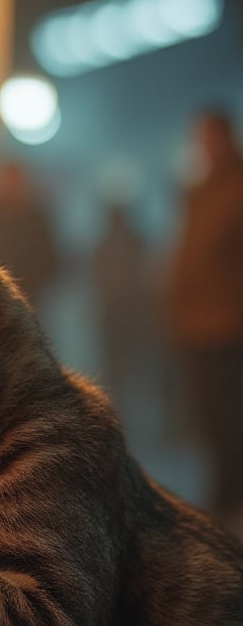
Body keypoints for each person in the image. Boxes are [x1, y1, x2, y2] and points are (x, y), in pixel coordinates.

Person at [164, 109, 243, 529]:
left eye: (209, 137)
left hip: (227, 323)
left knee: (227, 411)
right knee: (208, 414)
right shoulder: (199, 190)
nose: (204, 145)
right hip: (194, 322)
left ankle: (229, 493)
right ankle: (222, 489)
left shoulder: (235, 188)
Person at [0, 159, 61, 313]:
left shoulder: (36, 219)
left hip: (30, 299)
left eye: (15, 182)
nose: (11, 187)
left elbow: (50, 259)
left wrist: (33, 285)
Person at [91, 200, 150, 411]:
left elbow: (97, 277)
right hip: (133, 314)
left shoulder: (102, 243)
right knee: (135, 360)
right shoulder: (138, 241)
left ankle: (117, 402)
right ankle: (135, 404)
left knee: (115, 361)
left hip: (111, 313)